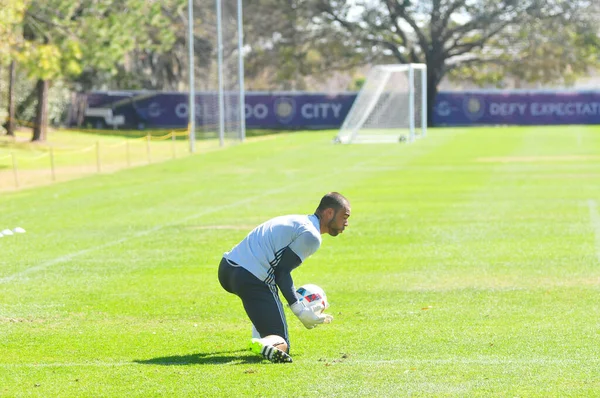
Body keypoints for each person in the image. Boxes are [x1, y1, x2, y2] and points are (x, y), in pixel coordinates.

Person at [218, 192, 351, 363]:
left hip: (227, 268)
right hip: (250, 277)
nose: (346, 223)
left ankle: (261, 333)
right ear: (329, 213)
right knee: (281, 342)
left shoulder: (298, 220)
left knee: (264, 296)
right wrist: (301, 312)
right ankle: (267, 340)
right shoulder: (311, 235)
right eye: (344, 217)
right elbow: (281, 273)